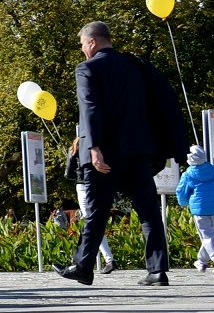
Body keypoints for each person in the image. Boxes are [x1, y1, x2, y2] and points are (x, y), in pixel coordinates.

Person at [56, 21, 172, 285]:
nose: (83, 50)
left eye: (83, 45)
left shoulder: (87, 69)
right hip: (138, 150)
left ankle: (84, 267)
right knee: (148, 212)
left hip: (105, 154)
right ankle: (157, 270)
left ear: (93, 42)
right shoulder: (135, 67)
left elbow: (90, 109)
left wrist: (94, 148)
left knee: (97, 211)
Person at [66, 137, 116, 274]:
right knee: (95, 221)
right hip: (99, 185)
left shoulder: (74, 152)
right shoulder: (99, 150)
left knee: (91, 223)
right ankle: (106, 259)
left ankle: (108, 259)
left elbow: (69, 174)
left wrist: (71, 157)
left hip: (82, 186)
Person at [177, 145, 214, 272]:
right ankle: (201, 261)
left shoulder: (188, 174)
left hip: (200, 210)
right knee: (210, 236)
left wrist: (183, 203)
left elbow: (181, 191)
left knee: (207, 236)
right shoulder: (212, 169)